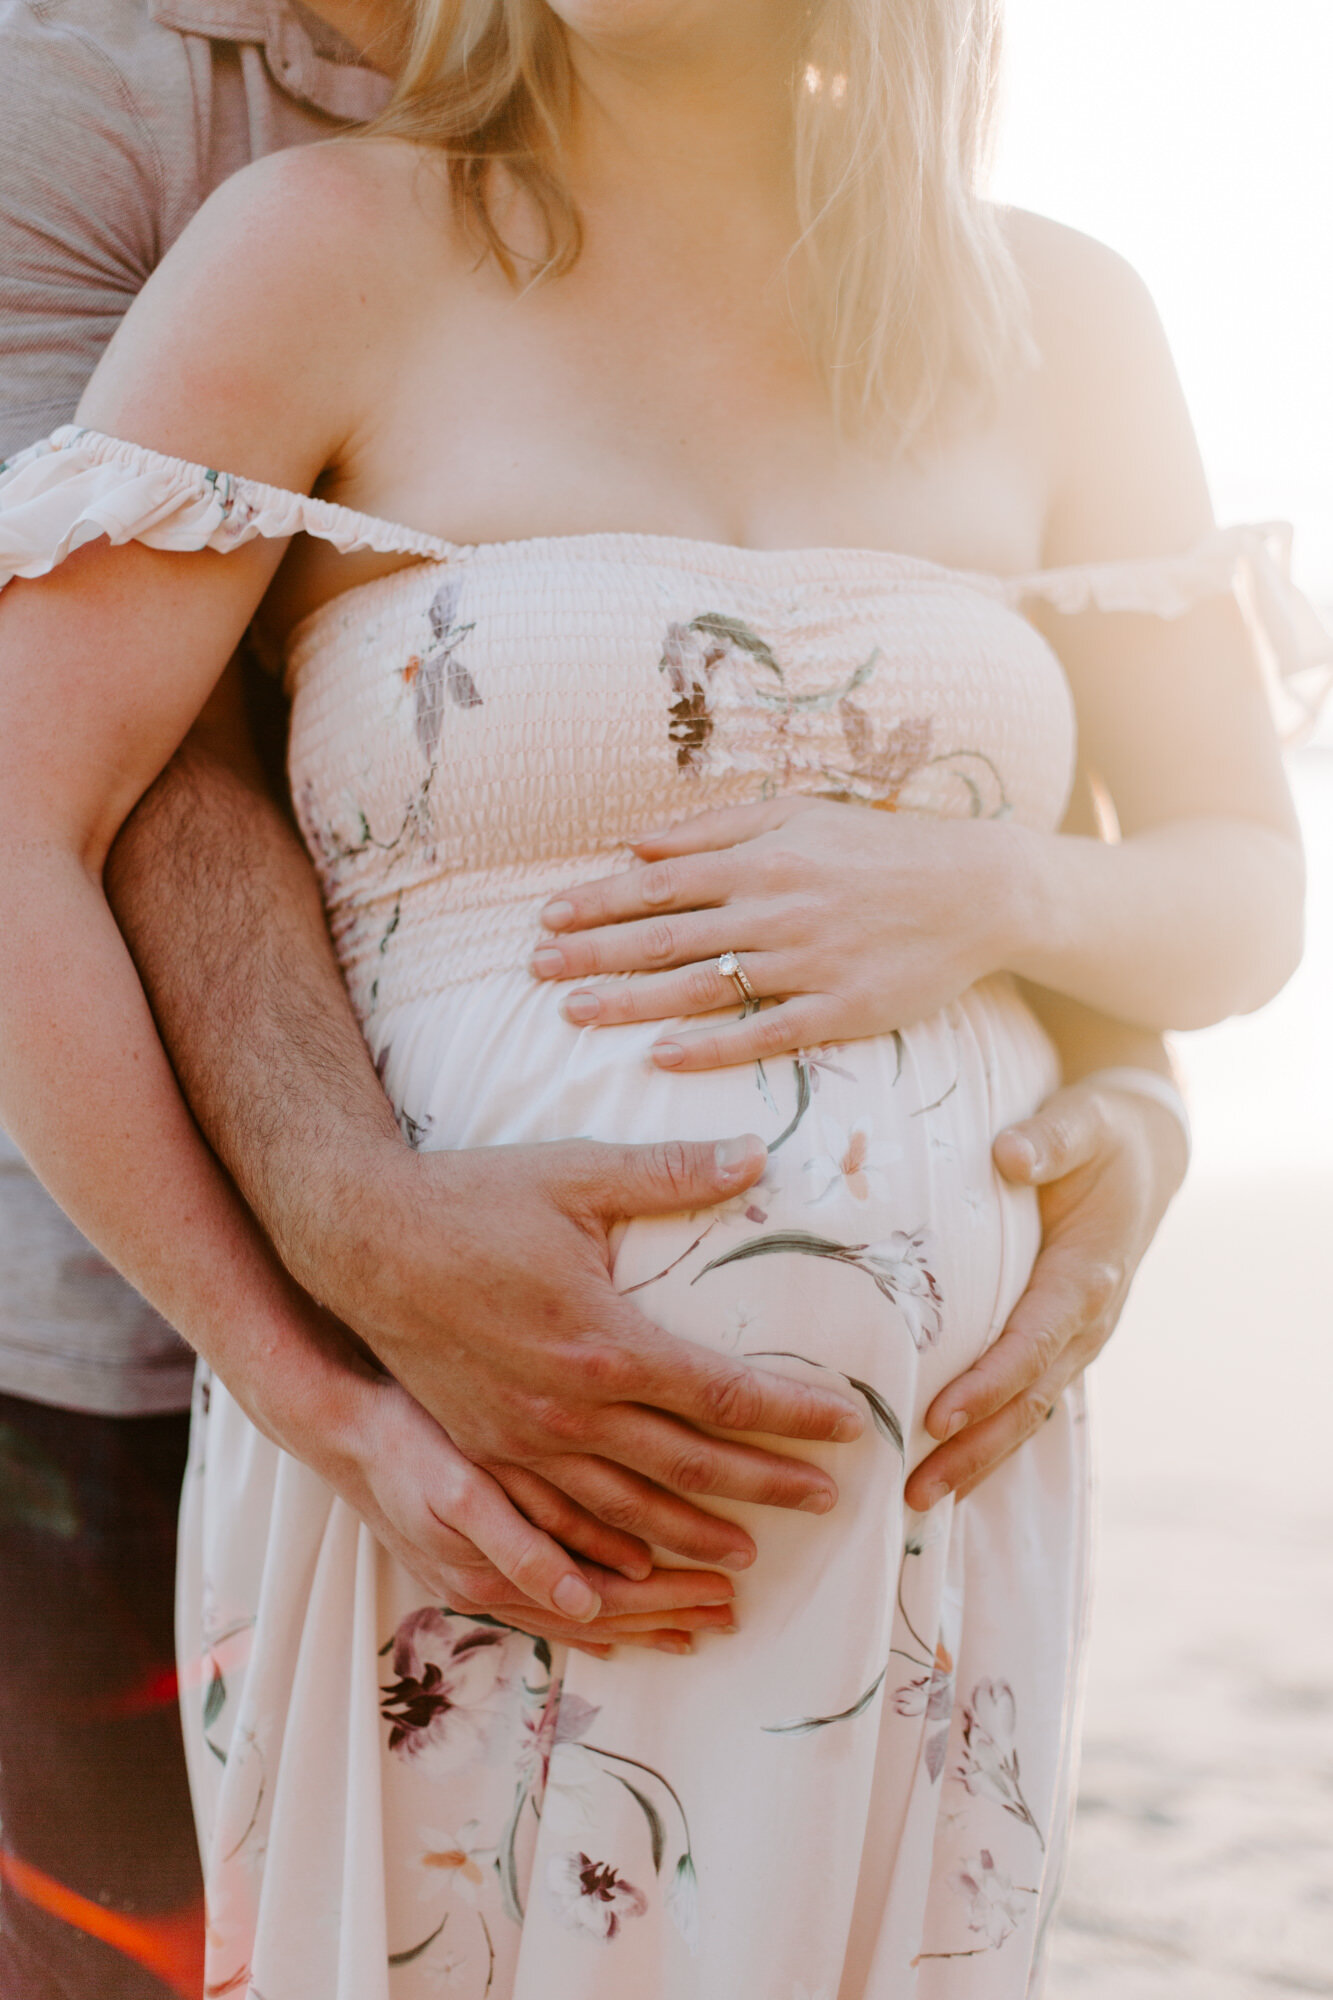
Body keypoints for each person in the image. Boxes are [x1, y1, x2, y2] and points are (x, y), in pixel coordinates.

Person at [1, 0, 1312, 1990]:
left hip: (917, 1540)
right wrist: (323, 1393)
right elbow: (25, 820)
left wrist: (998, 887)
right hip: (456, 1489)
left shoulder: (1067, 315)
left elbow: (1239, 889)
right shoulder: (317, 242)